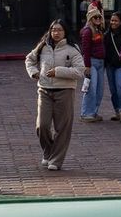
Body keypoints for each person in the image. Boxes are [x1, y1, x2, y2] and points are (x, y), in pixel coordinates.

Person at [25, 20, 85, 171]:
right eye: (53, 30)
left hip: (65, 91)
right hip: (44, 90)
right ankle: (48, 152)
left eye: (59, 30)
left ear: (65, 32)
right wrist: (33, 72)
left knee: (62, 127)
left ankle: (56, 160)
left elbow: (79, 71)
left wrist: (58, 71)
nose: (56, 33)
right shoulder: (42, 46)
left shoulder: (72, 49)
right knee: (42, 125)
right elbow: (29, 60)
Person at [78, 10, 112, 122]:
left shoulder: (99, 30)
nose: (98, 19)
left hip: (100, 63)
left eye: (99, 17)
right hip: (92, 63)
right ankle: (86, 113)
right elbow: (85, 50)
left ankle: (93, 112)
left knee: (99, 89)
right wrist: (87, 66)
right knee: (91, 89)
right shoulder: (87, 31)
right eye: (95, 17)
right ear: (90, 19)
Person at [102, 11, 121, 122]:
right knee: (113, 90)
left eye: (116, 21)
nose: (113, 22)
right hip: (110, 65)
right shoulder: (107, 35)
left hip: (120, 65)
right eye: (112, 20)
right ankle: (117, 111)